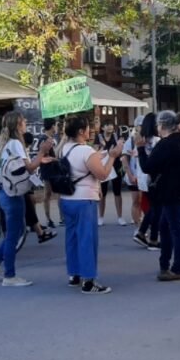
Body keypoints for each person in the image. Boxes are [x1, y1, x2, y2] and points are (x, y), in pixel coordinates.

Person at [0, 111, 53, 286]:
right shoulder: (16, 143)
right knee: (14, 234)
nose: (26, 123)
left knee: (16, 231)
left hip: (3, 190)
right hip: (13, 192)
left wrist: (40, 159)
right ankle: (9, 275)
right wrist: (42, 152)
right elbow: (29, 168)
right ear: (17, 124)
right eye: (23, 121)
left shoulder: (3, 142)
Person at [59, 116, 123, 294]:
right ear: (81, 131)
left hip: (67, 198)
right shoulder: (86, 151)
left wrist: (100, 155)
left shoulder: (64, 148)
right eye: (88, 127)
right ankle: (89, 280)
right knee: (87, 239)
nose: (91, 130)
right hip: (84, 199)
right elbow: (102, 174)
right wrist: (112, 156)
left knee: (72, 238)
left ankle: (75, 274)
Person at [137, 111, 180, 282]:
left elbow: (148, 166)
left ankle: (177, 268)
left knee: (175, 228)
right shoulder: (178, 141)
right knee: (166, 226)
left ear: (162, 125)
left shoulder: (167, 144)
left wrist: (140, 148)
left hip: (172, 190)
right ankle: (165, 264)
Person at [132, 113, 161, 250]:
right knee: (156, 209)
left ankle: (142, 233)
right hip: (154, 177)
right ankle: (152, 238)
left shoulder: (140, 139)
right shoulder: (157, 140)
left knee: (153, 208)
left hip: (143, 177)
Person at [96, 121, 126, 226]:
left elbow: (120, 151)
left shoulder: (116, 136)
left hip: (116, 166)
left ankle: (120, 217)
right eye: (107, 125)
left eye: (111, 126)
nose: (110, 127)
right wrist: (103, 146)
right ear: (102, 128)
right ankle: (101, 217)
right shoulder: (98, 137)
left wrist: (119, 146)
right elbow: (96, 153)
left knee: (117, 192)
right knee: (102, 193)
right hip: (103, 167)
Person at [38, 118, 61, 228]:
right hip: (47, 170)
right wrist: (57, 159)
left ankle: (61, 218)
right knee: (48, 194)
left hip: (52, 169)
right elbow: (45, 156)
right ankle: (49, 219)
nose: (57, 128)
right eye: (56, 125)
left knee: (57, 194)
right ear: (52, 126)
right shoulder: (44, 139)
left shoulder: (50, 138)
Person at [122, 115, 144, 227]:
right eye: (140, 125)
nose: (142, 127)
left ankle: (145, 224)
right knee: (136, 201)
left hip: (146, 176)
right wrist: (130, 175)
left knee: (145, 201)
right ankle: (138, 225)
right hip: (134, 175)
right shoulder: (130, 141)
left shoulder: (150, 139)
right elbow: (124, 159)